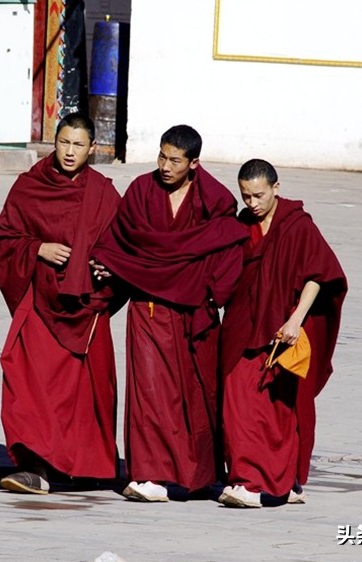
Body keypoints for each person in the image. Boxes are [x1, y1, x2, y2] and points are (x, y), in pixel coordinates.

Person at [91, 125, 248, 502]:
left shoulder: (215, 200)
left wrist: (213, 293)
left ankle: (198, 474)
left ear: (194, 163)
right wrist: (110, 264)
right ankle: (151, 475)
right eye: (162, 156)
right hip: (148, 308)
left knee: (195, 392)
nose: (165, 166)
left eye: (175, 161)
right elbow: (119, 240)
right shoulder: (141, 192)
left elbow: (229, 246)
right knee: (148, 392)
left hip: (194, 312)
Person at [0, 112, 123, 494]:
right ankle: (33, 466)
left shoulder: (103, 194)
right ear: (54, 142)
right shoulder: (30, 186)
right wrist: (38, 248)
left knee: (82, 392)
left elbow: (121, 245)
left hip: (84, 305)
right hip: (39, 301)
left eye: (78, 145)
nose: (69, 152)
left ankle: (80, 463)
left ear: (92, 148)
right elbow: (4, 237)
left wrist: (106, 268)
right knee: (24, 380)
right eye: (64, 142)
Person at [218, 158, 348, 508]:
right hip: (243, 328)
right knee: (237, 404)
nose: (252, 203)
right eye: (246, 196)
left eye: (258, 195)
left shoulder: (297, 225)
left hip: (282, 331)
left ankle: (271, 481)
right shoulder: (242, 226)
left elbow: (318, 275)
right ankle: (247, 478)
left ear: (276, 188)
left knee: (278, 410)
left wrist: (295, 320)